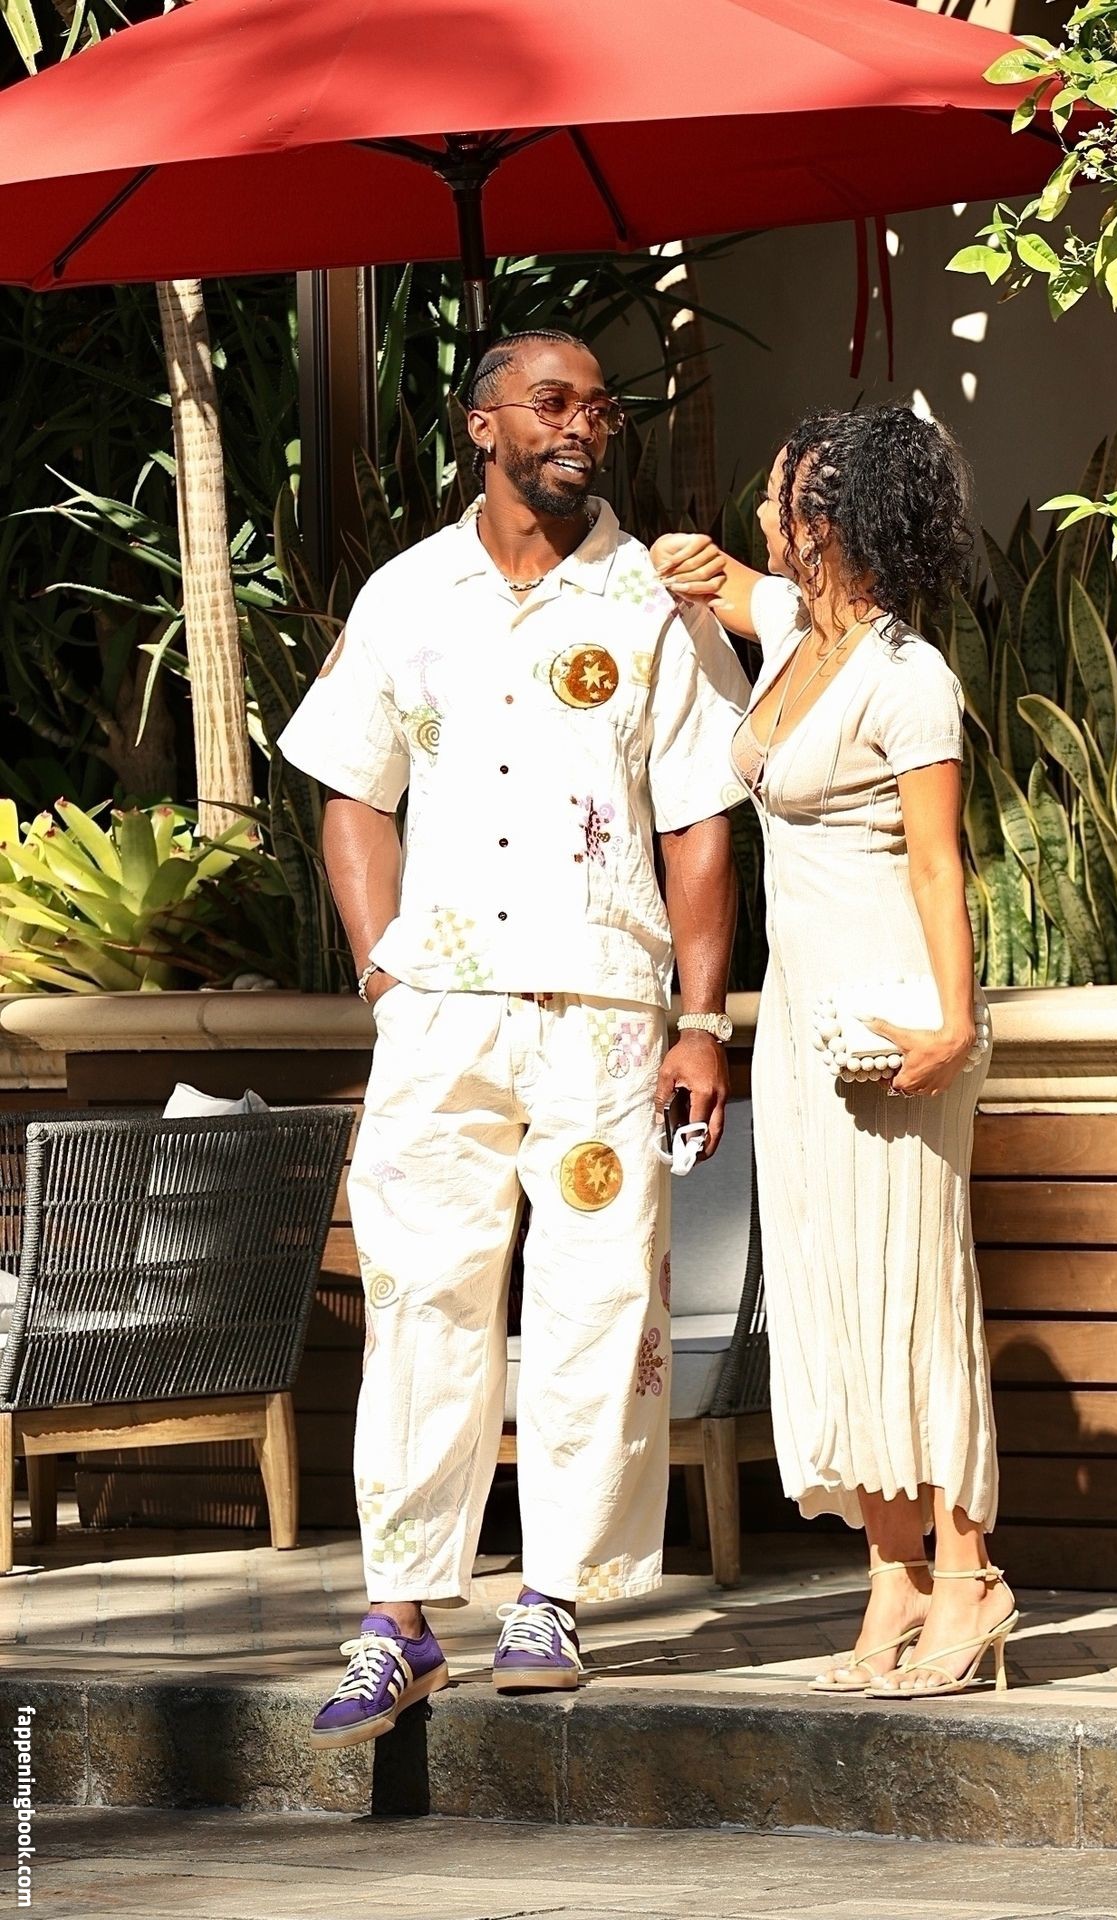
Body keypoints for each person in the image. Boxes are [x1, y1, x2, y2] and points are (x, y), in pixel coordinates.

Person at [280, 330, 749, 1747]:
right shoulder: (407, 593)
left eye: (598, 407)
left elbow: (700, 821)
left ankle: (550, 1596)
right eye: (552, 402)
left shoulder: (655, 596)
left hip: (606, 1013)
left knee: (598, 1301)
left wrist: (702, 1019)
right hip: (441, 1014)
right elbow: (351, 789)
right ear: (482, 425)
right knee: (423, 1297)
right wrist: (384, 971)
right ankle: (400, 1619)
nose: (582, 426)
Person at [652, 404, 1016, 1698]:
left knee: (909, 1292)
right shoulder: (801, 629)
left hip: (895, 1020)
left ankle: (970, 1575)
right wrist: (682, 561)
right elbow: (721, 579)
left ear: (833, 521)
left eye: (781, 497)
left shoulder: (909, 677)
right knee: (827, 1292)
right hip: (802, 1018)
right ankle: (893, 1573)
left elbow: (937, 863)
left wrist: (954, 1025)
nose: (762, 515)